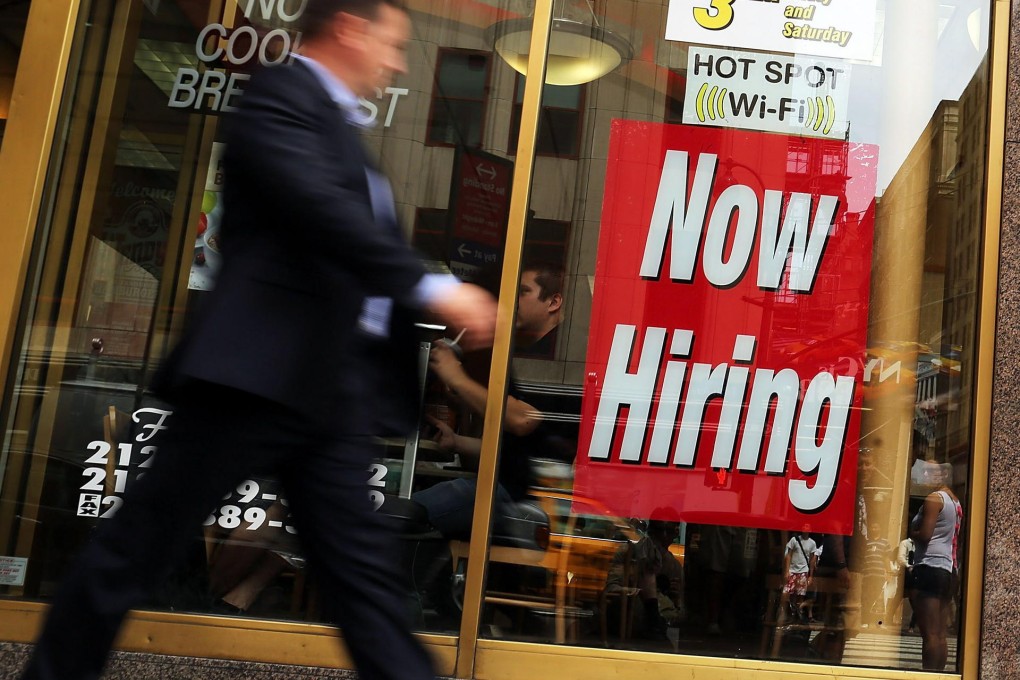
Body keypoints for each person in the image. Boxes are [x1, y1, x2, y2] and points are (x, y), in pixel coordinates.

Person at [21, 2, 497, 679]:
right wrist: (430, 287)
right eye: (393, 45)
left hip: (330, 388)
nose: (397, 64)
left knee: (363, 584)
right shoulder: (278, 98)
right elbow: (317, 211)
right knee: (137, 549)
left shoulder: (337, 127)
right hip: (253, 379)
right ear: (350, 29)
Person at [908, 481, 963, 670]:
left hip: (929, 565)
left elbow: (925, 534)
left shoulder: (934, 498)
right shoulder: (954, 502)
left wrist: (911, 532)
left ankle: (929, 674)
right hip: (948, 568)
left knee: (929, 634)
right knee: (939, 634)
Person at [513, 262, 565, 358]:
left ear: (554, 302)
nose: (513, 300)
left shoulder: (563, 352)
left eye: (523, 292)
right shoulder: (514, 345)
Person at [782, 529, 818, 623]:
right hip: (793, 570)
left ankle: (798, 614)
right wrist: (787, 571)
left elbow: (812, 560)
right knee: (788, 593)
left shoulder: (812, 543)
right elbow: (788, 555)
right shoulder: (794, 540)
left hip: (803, 570)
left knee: (800, 593)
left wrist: (810, 575)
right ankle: (790, 612)